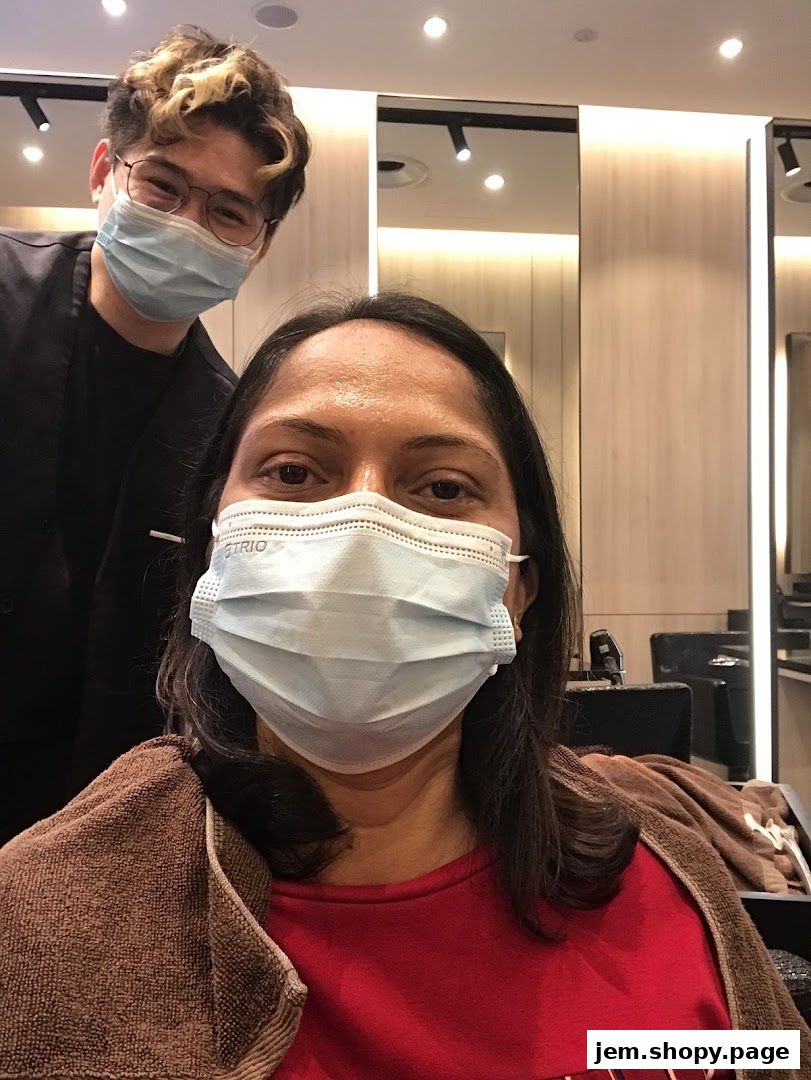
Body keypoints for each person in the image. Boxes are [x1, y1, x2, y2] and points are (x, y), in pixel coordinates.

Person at [0, 294, 806, 1079]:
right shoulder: (41, 925)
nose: (362, 533)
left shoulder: (667, 875)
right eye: (294, 471)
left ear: (518, 589)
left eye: (443, 487)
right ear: (214, 549)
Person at [0, 26, 310, 843]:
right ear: (105, 172)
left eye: (226, 212)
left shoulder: (233, 433)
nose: (186, 224)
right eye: (163, 186)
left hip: (84, 833)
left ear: (258, 244)